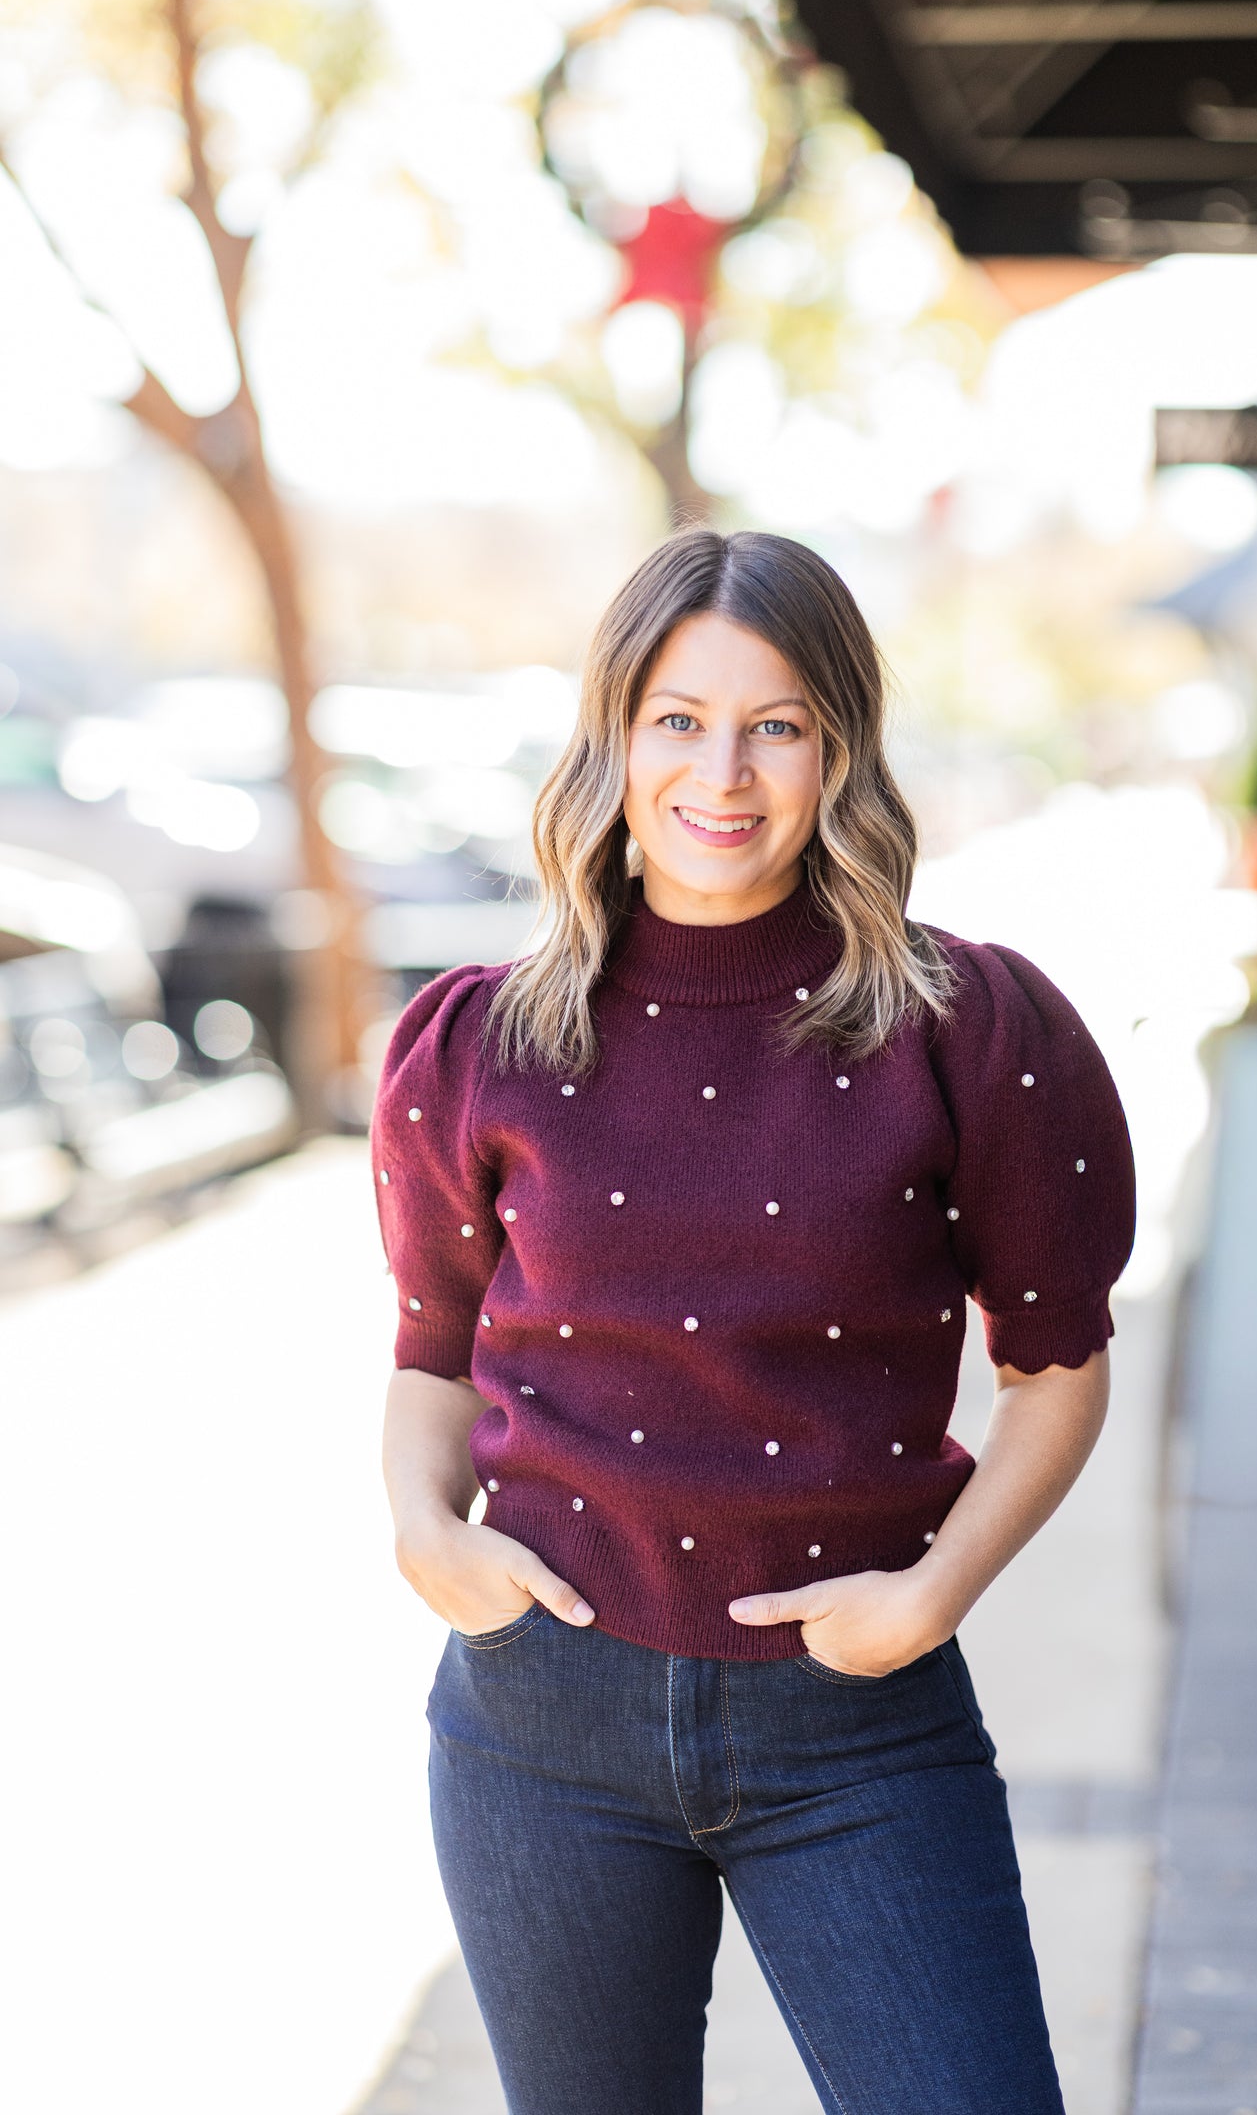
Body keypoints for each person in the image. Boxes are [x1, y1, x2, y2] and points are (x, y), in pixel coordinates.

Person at [375, 529, 1136, 2115]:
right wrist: (422, 1534)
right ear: (612, 737)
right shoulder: (482, 1042)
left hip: (856, 1731)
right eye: (676, 718)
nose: (721, 771)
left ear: (839, 749)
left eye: (776, 724)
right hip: (539, 1731)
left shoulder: (964, 1028)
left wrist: (931, 1598)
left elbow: (1056, 1373)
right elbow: (434, 1351)